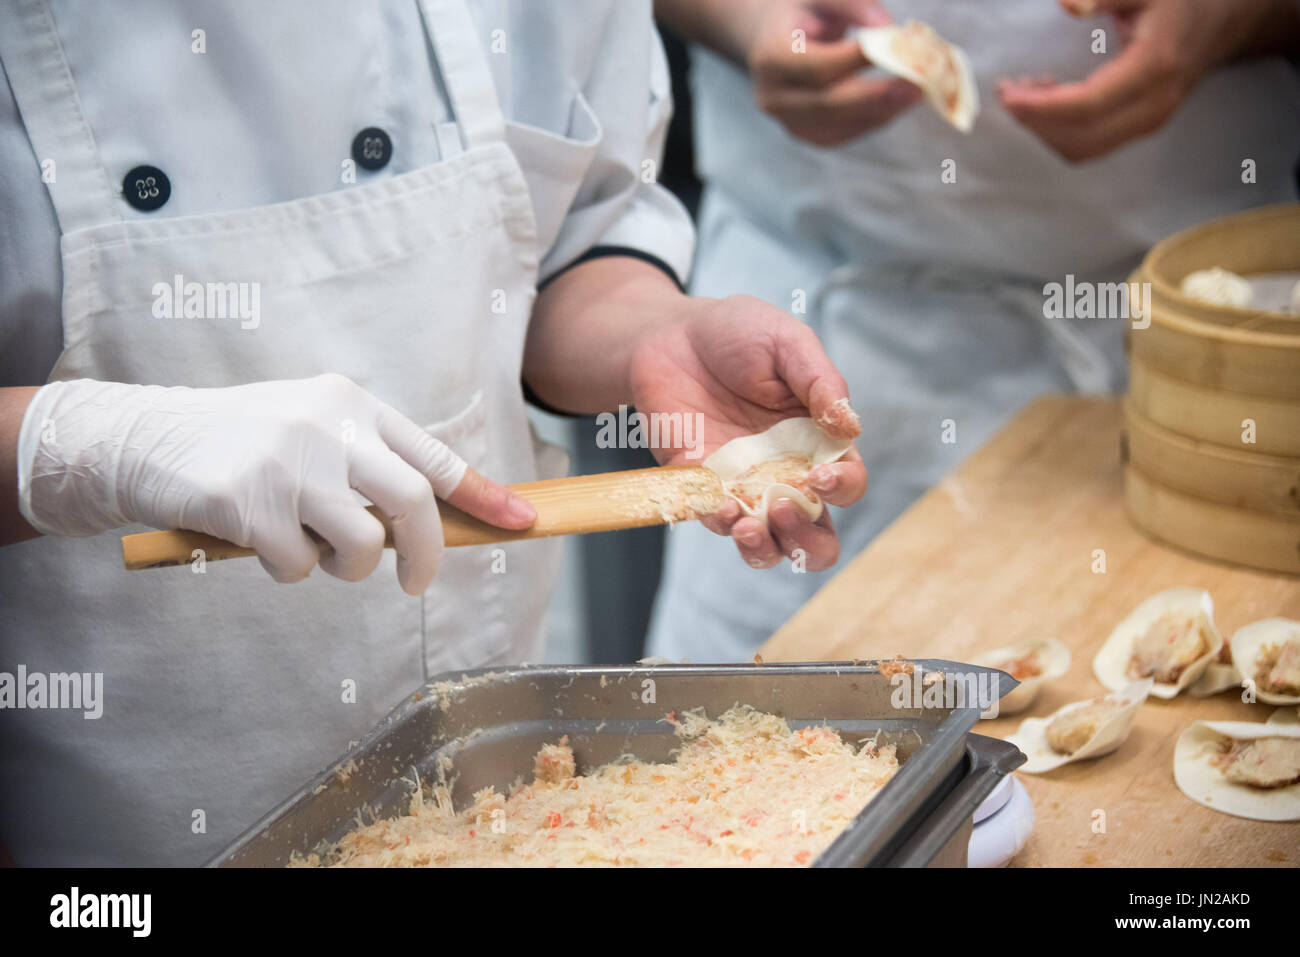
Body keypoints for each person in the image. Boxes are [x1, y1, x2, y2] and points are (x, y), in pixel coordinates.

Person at [0, 0, 866, 865]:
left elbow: (566, 244)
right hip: (118, 812)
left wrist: (655, 338)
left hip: (498, 793)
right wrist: (97, 447)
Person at [648, 0, 1300, 661]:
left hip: (1195, 335)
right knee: (758, 725)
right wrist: (746, 19)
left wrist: (1232, 19)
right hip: (797, 322)